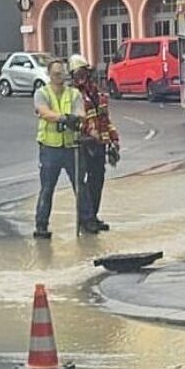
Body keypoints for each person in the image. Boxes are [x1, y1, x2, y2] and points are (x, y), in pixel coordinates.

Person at [32, 58, 86, 239]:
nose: (59, 77)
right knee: (47, 188)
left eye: (61, 73)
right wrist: (64, 118)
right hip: (50, 148)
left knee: (80, 186)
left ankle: (87, 220)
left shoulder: (74, 93)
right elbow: (44, 112)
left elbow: (81, 114)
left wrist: (75, 119)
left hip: (71, 147)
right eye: (55, 73)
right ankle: (41, 225)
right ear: (49, 74)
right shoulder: (42, 93)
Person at [69, 54, 120, 234]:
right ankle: (86, 219)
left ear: (88, 73)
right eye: (76, 74)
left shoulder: (98, 93)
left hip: (99, 144)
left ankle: (93, 216)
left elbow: (105, 119)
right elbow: (75, 121)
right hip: (83, 144)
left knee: (97, 181)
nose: (80, 77)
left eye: (82, 73)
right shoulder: (73, 95)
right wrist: (88, 134)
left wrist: (114, 139)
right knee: (83, 184)